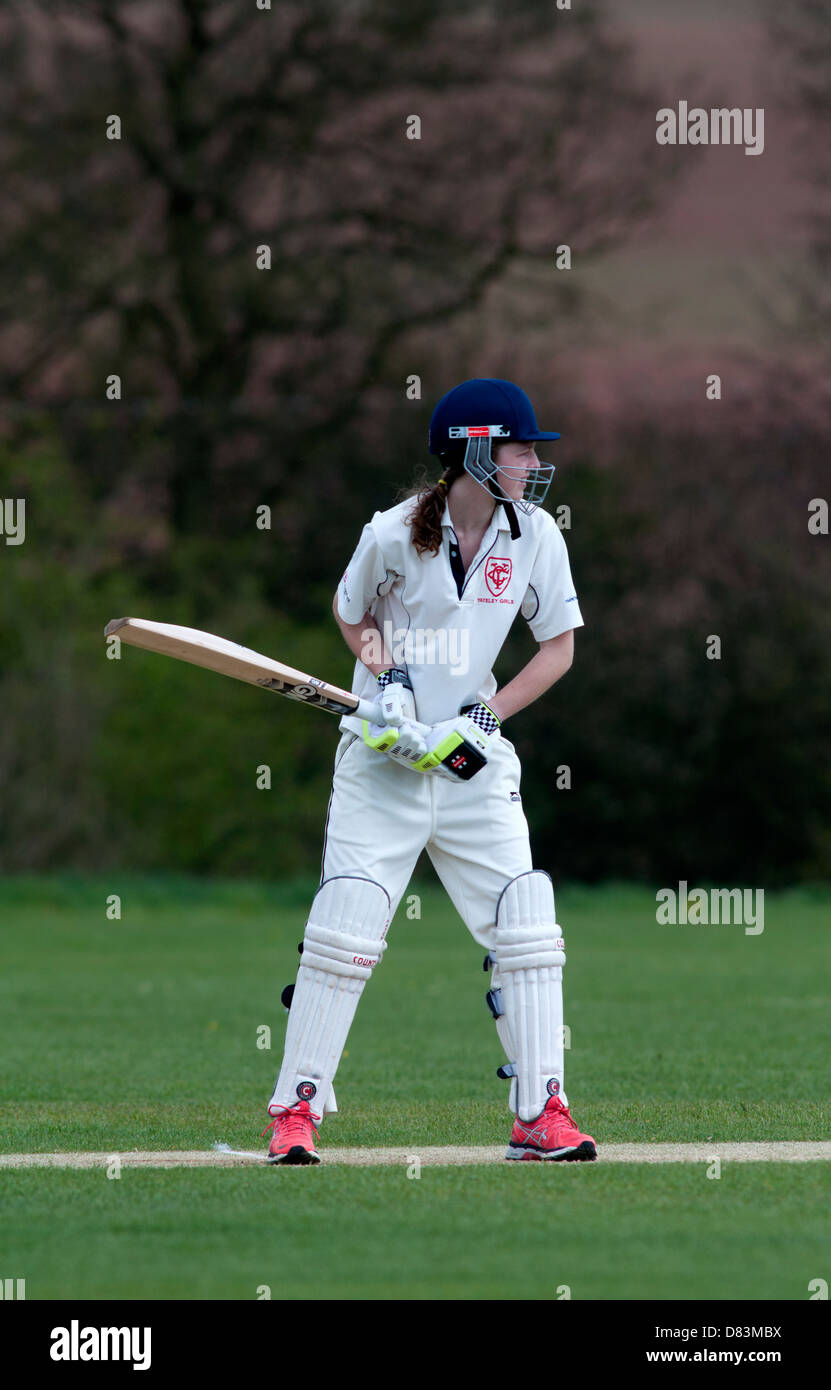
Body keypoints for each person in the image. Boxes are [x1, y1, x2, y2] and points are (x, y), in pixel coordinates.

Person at [262, 378, 596, 1164]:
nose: (529, 461)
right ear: (474, 452)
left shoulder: (536, 535)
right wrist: (393, 686)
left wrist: (481, 720)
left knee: (526, 923)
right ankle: (295, 1113)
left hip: (472, 766)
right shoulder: (391, 533)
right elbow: (353, 613)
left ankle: (540, 1112)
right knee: (345, 926)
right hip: (382, 764)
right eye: (519, 447)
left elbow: (558, 649)